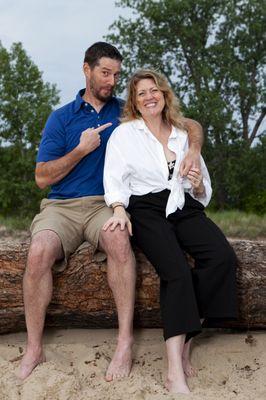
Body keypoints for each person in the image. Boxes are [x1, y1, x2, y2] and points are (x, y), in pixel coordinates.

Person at [18, 43, 204, 381]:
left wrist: (194, 148)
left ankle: (123, 343)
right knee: (39, 251)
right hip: (61, 206)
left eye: (116, 74)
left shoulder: (125, 111)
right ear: (86, 70)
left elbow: (187, 124)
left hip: (107, 204)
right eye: (105, 73)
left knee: (119, 240)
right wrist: (80, 149)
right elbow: (42, 178)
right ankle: (34, 347)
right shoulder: (62, 117)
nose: (111, 80)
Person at [103, 69, 238, 394]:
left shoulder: (182, 134)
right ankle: (173, 370)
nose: (149, 97)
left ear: (165, 94)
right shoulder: (126, 134)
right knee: (176, 271)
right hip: (146, 209)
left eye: (154, 90)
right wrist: (119, 208)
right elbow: (115, 176)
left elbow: (202, 187)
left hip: (183, 204)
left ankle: (188, 338)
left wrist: (197, 182)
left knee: (222, 258)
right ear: (134, 102)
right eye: (141, 93)